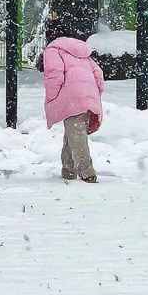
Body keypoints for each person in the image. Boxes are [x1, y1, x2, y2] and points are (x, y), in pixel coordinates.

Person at [38, 33, 104, 183]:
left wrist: (53, 96)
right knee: (74, 132)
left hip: (71, 96)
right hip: (89, 94)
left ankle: (87, 172)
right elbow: (98, 74)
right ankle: (68, 170)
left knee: (76, 134)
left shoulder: (53, 50)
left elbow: (54, 74)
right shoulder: (83, 53)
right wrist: (94, 93)